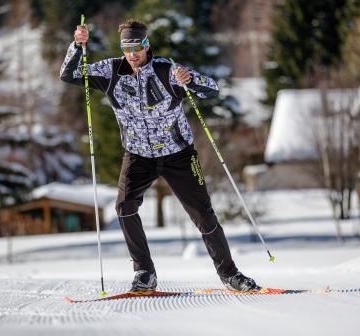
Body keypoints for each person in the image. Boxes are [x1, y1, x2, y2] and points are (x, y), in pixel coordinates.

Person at [60, 19, 259, 292]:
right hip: (138, 155)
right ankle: (145, 272)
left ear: (146, 44)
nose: (132, 54)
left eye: (138, 47)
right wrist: (77, 45)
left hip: (178, 154)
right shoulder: (110, 71)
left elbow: (211, 89)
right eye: (127, 47)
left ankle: (230, 274)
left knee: (203, 214)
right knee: (125, 207)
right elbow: (68, 75)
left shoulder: (166, 71)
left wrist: (190, 79)